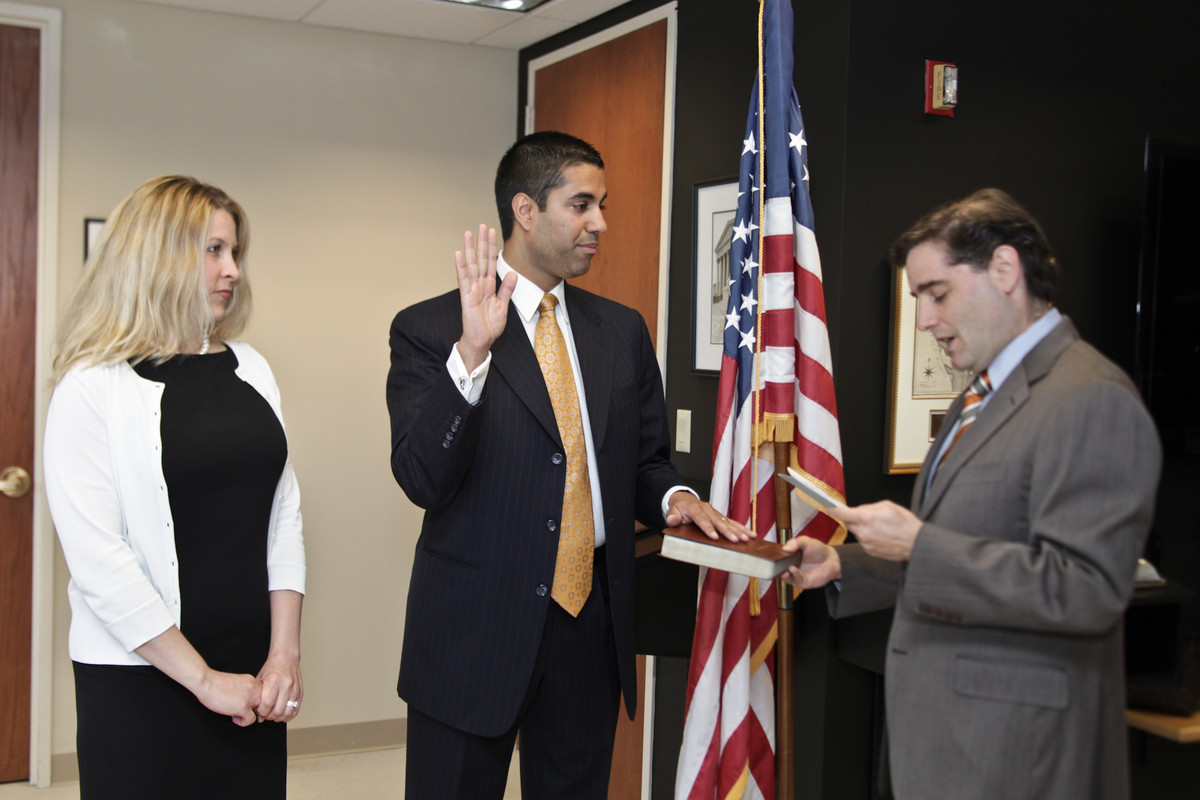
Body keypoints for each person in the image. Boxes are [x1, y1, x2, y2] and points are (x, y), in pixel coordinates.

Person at [386, 131, 749, 799]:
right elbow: (420, 477)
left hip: (589, 628)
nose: (600, 224)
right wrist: (470, 355)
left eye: (602, 205)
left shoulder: (621, 330)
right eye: (581, 205)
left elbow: (645, 461)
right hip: (474, 633)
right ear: (525, 211)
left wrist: (675, 498)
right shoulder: (432, 328)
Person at [781, 188, 1161, 800]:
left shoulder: (1091, 397)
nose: (926, 320)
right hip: (945, 744)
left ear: (1005, 270)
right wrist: (844, 564)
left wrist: (919, 544)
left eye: (937, 294)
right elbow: (972, 546)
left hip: (1016, 758)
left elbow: (1086, 590)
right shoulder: (980, 395)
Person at [44, 176, 305, 799]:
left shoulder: (252, 368)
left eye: (235, 252)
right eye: (214, 250)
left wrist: (284, 654)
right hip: (145, 673)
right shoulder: (90, 387)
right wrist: (205, 681)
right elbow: (100, 562)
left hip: (251, 672)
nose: (233, 270)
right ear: (157, 257)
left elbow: (283, 515)